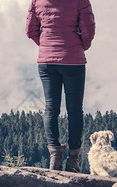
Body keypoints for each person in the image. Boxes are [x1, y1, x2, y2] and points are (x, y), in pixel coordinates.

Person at [26, 0, 95, 172]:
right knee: (75, 110)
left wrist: (46, 46)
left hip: (46, 62)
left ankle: (55, 157)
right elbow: (89, 29)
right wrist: (79, 46)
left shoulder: (37, 1)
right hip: (73, 61)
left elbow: (30, 30)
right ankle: (73, 160)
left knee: (50, 109)